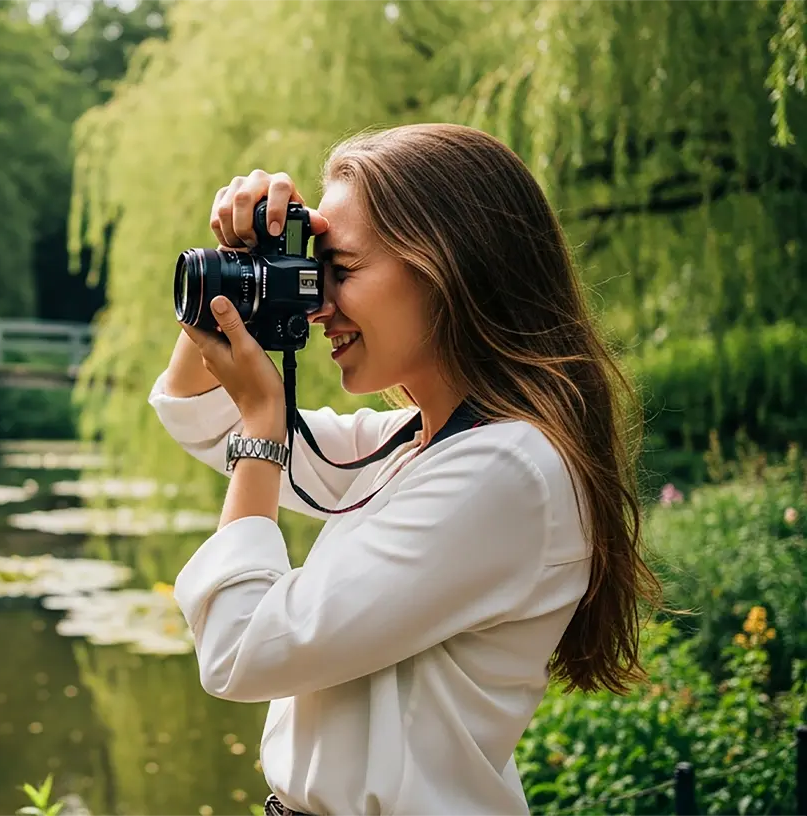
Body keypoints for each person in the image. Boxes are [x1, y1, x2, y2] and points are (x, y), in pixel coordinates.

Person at [149, 124, 660, 816]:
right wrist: (235, 276)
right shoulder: (419, 444)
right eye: (314, 271)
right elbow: (201, 413)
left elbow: (243, 647)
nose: (318, 302)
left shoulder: (506, 472)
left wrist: (266, 423)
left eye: (345, 269)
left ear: (448, 268)